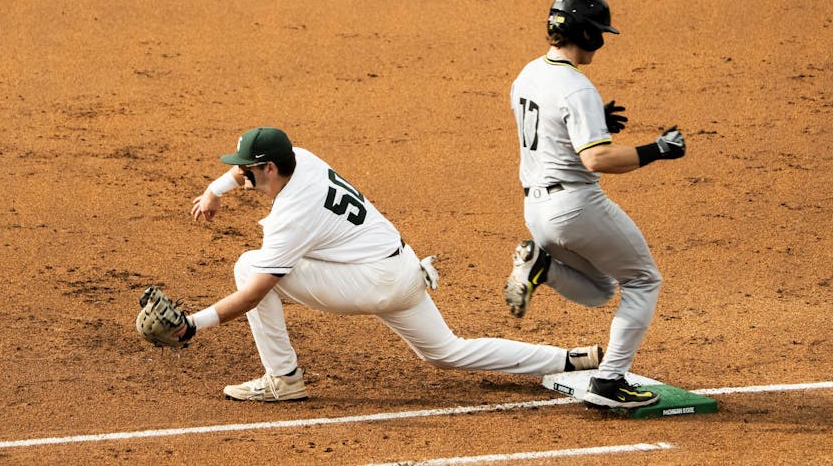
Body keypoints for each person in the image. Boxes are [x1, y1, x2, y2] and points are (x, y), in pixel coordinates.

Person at [181, 126, 602, 401]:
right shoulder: (301, 158)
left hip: (372, 283)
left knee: (250, 267)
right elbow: (241, 175)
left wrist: (192, 325)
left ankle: (283, 379)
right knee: (446, 351)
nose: (244, 176)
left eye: (249, 170)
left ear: (269, 168)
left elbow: (255, 293)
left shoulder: (290, 216)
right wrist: (215, 190)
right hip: (403, 269)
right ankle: (568, 359)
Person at [505, 0, 686, 410]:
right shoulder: (576, 88)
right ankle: (610, 382)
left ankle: (542, 267)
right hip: (577, 207)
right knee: (644, 281)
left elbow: (550, 126)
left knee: (602, 288)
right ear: (585, 33)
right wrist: (656, 150)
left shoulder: (529, 74)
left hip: (537, 211)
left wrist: (592, 121)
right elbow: (598, 158)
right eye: (598, 33)